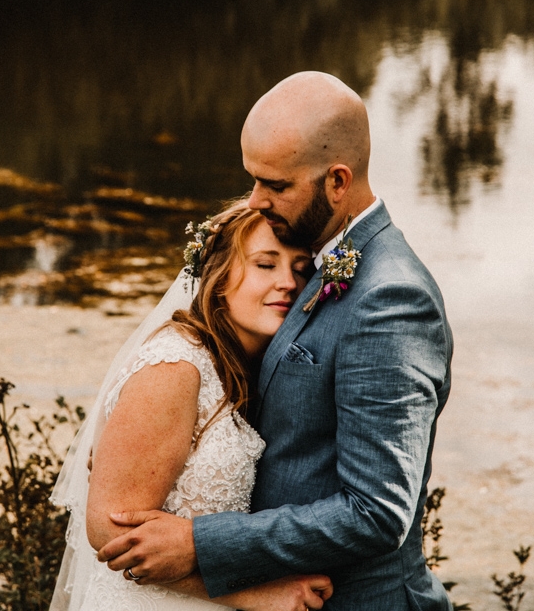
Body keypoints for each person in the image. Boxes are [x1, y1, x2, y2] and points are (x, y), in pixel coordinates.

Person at [96, 71, 454, 609]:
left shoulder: (391, 297)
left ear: (338, 181)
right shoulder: (310, 252)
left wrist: (198, 543)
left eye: (277, 185)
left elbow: (377, 512)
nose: (256, 201)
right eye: (254, 179)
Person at [49, 198, 334, 611]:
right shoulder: (177, 365)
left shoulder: (241, 371)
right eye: (265, 264)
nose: (289, 282)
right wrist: (255, 594)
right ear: (219, 278)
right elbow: (111, 532)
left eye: (301, 269)